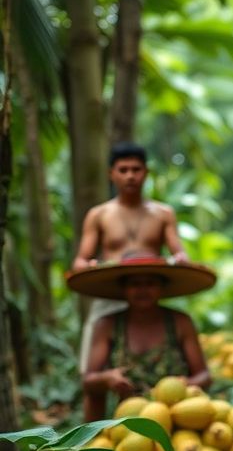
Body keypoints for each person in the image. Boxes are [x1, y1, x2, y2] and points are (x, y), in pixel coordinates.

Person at [72, 142, 189, 385]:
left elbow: (179, 253)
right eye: (123, 170)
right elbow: (81, 260)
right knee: (93, 375)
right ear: (111, 174)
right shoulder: (99, 214)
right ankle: (91, 423)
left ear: (146, 172)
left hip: (146, 291)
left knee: (162, 366)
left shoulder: (163, 213)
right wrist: (89, 267)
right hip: (109, 295)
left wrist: (178, 260)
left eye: (136, 169)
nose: (130, 176)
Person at [67, 255, 215, 421]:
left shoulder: (180, 322)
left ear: (162, 287)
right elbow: (88, 381)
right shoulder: (107, 325)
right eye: (135, 284)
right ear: (123, 288)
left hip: (177, 415)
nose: (142, 290)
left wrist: (182, 385)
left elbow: (204, 376)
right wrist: (107, 379)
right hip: (127, 419)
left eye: (150, 283)